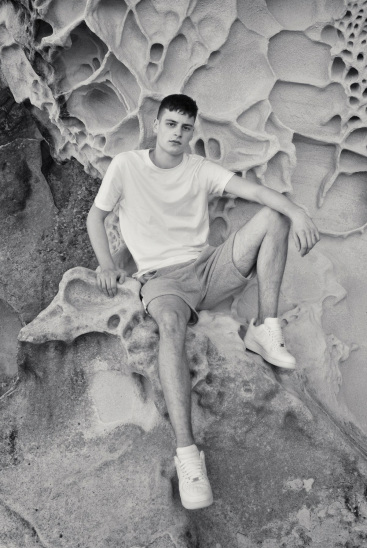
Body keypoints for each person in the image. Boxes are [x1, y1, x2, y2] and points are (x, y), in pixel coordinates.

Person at [86, 94, 319, 511]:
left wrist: (297, 212)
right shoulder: (127, 166)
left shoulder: (199, 168)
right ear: (157, 125)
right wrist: (106, 263)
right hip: (161, 279)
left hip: (207, 268)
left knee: (274, 217)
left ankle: (266, 329)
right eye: (171, 124)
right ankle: (188, 455)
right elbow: (96, 216)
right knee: (170, 327)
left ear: (193, 131)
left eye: (186, 127)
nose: (178, 133)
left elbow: (254, 190)